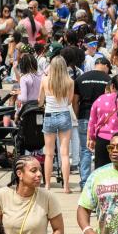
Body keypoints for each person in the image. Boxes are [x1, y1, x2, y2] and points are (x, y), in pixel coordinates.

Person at [38, 56, 75, 191]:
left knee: (49, 153)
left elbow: (40, 101)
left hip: (49, 115)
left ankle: (47, 184)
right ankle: (66, 186)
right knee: (64, 153)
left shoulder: (45, 80)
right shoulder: (70, 81)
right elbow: (70, 102)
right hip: (64, 115)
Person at [74, 56, 112, 187]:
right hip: (103, 120)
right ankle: (101, 181)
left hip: (84, 116)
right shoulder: (109, 80)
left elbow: (75, 101)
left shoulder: (81, 79)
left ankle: (85, 182)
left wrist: (78, 116)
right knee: (102, 150)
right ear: (106, 66)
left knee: (85, 150)